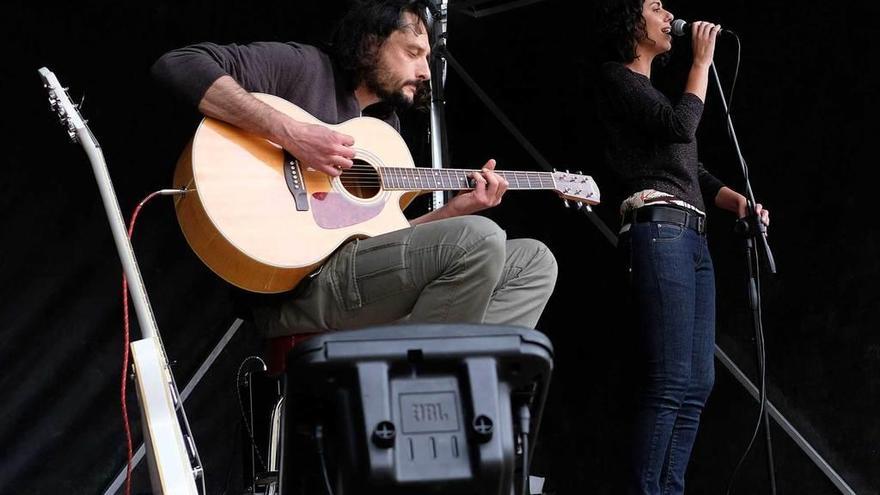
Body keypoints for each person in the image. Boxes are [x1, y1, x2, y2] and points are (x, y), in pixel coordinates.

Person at [150, 0, 557, 336]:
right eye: (413, 53)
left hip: (354, 275)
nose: (426, 72)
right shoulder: (305, 68)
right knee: (480, 237)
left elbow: (381, 239)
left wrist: (453, 212)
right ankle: (419, 388)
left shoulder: (384, 129)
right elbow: (180, 65)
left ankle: (470, 387)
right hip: (297, 287)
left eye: (428, 59)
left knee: (534, 262)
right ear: (369, 43)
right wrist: (292, 133)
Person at [595, 1, 770, 493]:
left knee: (697, 385)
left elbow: (690, 167)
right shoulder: (617, 79)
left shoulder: (654, 95)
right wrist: (700, 63)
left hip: (692, 237)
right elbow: (681, 127)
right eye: (656, 6)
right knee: (670, 380)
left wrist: (739, 201)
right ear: (631, 21)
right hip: (658, 231)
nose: (669, 13)